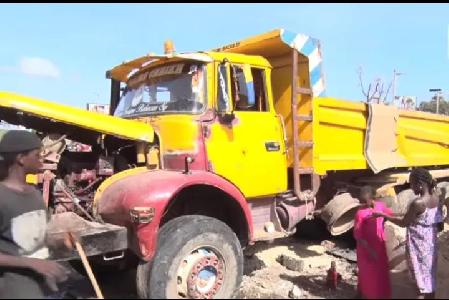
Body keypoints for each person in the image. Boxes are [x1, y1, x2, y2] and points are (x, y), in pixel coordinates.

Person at [0, 130, 69, 298]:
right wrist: (31, 263)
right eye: (37, 154)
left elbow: (39, 237)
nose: (42, 158)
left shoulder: (34, 194)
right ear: (21, 159)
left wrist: (62, 239)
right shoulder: (2, 197)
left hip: (45, 288)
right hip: (14, 290)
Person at [373, 168, 444, 299]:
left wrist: (383, 215)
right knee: (429, 281)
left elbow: (404, 222)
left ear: (420, 184)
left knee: (419, 286)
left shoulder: (418, 203)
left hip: (418, 248)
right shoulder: (436, 199)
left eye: (412, 184)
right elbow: (439, 225)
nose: (411, 188)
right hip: (431, 246)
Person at [353, 185, 392, 299]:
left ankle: (380, 294)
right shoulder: (360, 213)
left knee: (380, 273)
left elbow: (390, 214)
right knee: (368, 274)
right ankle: (366, 295)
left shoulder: (380, 206)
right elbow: (358, 236)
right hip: (366, 248)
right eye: (362, 201)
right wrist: (370, 251)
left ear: (373, 198)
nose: (364, 203)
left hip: (379, 244)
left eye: (366, 201)